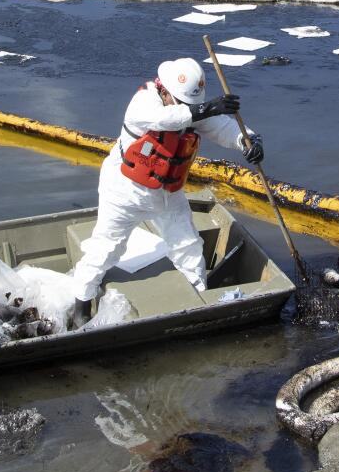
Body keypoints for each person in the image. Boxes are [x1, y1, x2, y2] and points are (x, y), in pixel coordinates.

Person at [67, 58, 262, 316]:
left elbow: (221, 127)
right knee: (106, 247)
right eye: (183, 102)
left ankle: (199, 299)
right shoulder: (144, 102)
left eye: (192, 104)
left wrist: (247, 140)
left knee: (189, 246)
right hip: (124, 192)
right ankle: (80, 304)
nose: (188, 108)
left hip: (166, 194)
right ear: (165, 90)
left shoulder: (190, 109)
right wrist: (206, 107)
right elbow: (165, 120)